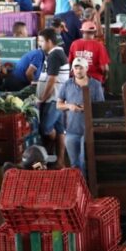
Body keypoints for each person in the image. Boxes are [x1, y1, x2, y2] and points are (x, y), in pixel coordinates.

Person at [56, 58, 104, 175]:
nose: (78, 70)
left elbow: (102, 108)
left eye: (81, 68)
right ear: (72, 69)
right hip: (71, 130)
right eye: (76, 68)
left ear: (86, 69)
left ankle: (87, 189)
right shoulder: (67, 84)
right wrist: (69, 106)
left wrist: (88, 108)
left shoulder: (96, 85)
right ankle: (78, 189)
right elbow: (59, 104)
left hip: (89, 131)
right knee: (74, 165)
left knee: (85, 162)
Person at [37, 28, 71, 165]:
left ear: (49, 41)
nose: (39, 44)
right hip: (57, 98)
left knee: (45, 128)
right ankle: (60, 161)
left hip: (53, 99)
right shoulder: (56, 53)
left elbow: (52, 79)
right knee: (59, 128)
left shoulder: (54, 55)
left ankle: (53, 154)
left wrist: (43, 98)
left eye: (41, 41)